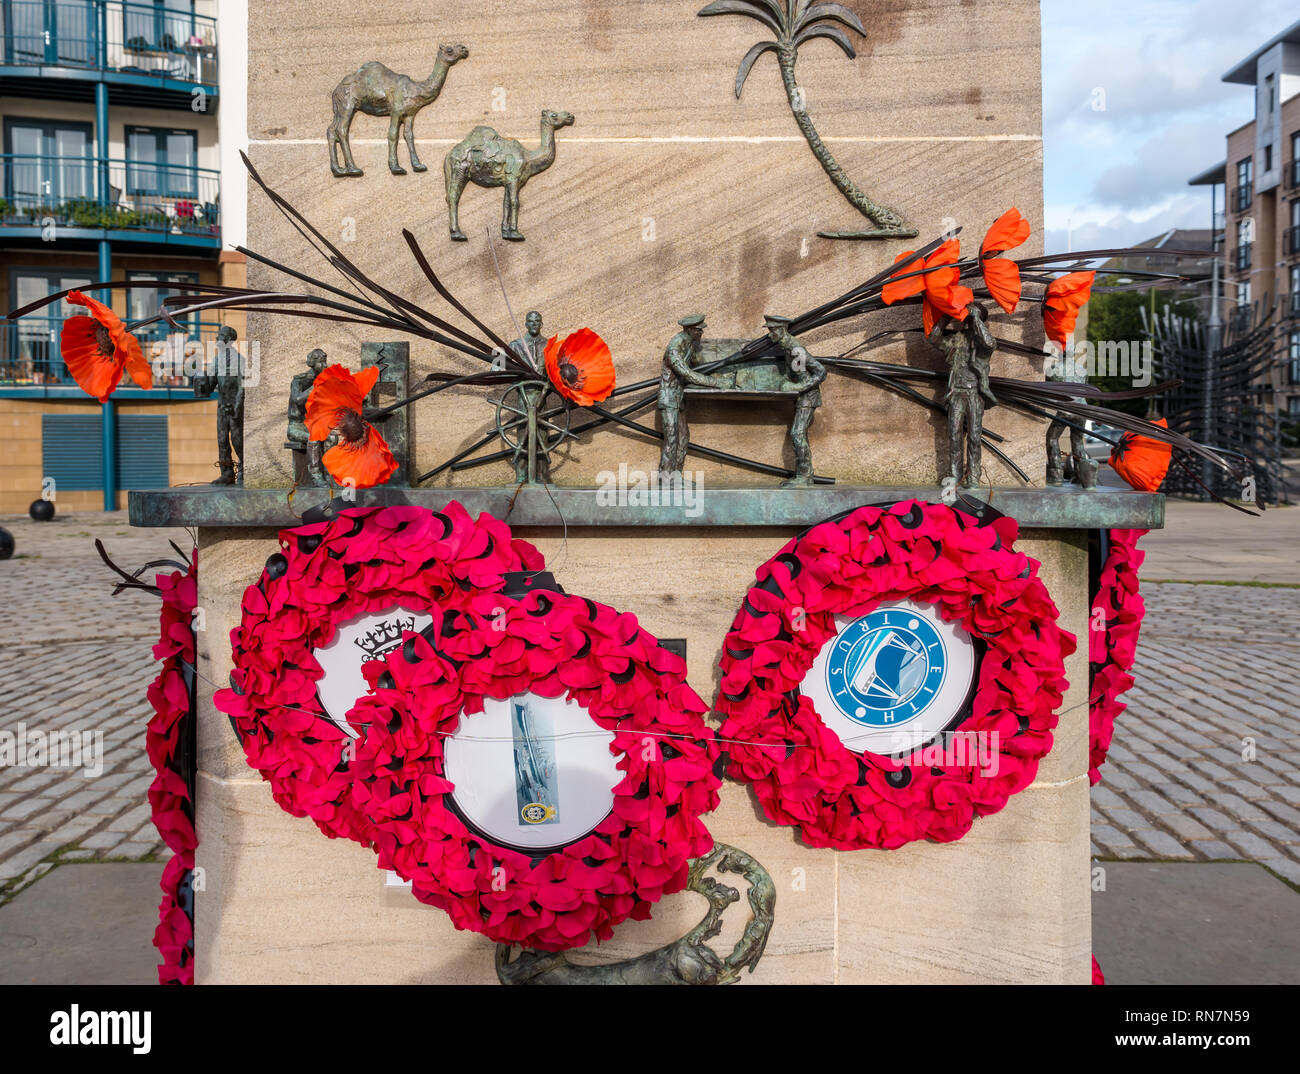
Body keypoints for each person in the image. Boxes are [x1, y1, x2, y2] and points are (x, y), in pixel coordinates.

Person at [929, 303, 997, 488]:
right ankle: (955, 474)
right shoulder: (956, 339)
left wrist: (976, 317)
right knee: (954, 435)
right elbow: (934, 338)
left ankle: (974, 476)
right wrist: (945, 316)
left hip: (974, 394)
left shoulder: (982, 343)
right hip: (956, 393)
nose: (969, 317)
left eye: (973, 315)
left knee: (975, 436)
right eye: (968, 314)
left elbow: (990, 343)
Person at [657, 314, 727, 474]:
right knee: (671, 438)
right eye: (698, 330)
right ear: (689, 329)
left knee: (683, 437)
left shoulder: (689, 343)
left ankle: (677, 475)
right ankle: (666, 478)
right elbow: (687, 374)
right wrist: (715, 383)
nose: (701, 333)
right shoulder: (675, 348)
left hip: (678, 397)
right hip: (668, 398)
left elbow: (698, 362)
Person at [764, 314, 826, 487]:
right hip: (802, 396)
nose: (770, 335)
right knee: (800, 434)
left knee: (797, 434)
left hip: (808, 396)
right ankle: (803, 475)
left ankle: (805, 476)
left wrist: (798, 387)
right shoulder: (786, 346)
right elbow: (797, 370)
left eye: (772, 330)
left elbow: (821, 372)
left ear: (781, 330)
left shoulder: (794, 347)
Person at [193, 325, 244, 485]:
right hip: (222, 406)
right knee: (222, 440)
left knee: (237, 440)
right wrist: (201, 380)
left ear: (228, 340)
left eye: (220, 336)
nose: (217, 339)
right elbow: (209, 385)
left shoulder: (240, 360)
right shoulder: (216, 361)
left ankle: (245, 468)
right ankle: (227, 473)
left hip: (236, 406)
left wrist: (238, 404)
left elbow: (244, 384)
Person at [287, 348, 329, 485]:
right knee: (314, 438)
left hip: (313, 425)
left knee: (332, 436)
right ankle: (315, 475)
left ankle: (330, 474)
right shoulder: (299, 381)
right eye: (322, 362)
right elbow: (298, 400)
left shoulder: (323, 380)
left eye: (325, 362)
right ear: (312, 363)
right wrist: (315, 387)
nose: (325, 366)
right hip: (296, 427)